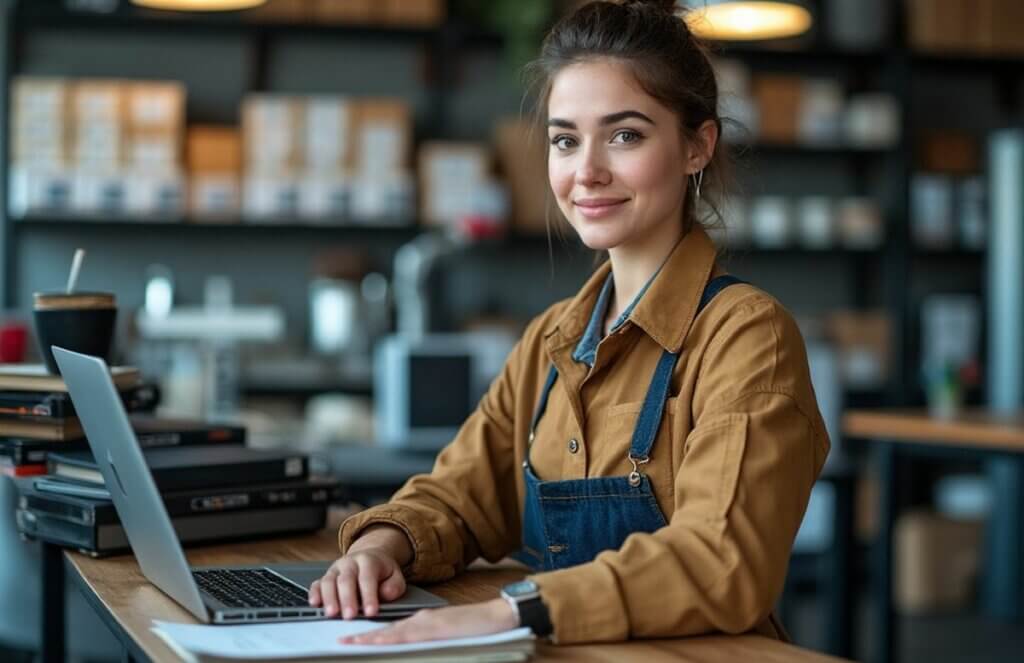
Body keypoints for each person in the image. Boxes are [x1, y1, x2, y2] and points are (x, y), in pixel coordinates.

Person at [309, 0, 830, 645]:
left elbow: (720, 560)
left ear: (697, 145)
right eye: (565, 140)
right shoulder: (552, 339)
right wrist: (380, 549)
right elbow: (461, 495)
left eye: (625, 135)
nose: (586, 171)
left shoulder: (747, 337)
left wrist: (512, 611)